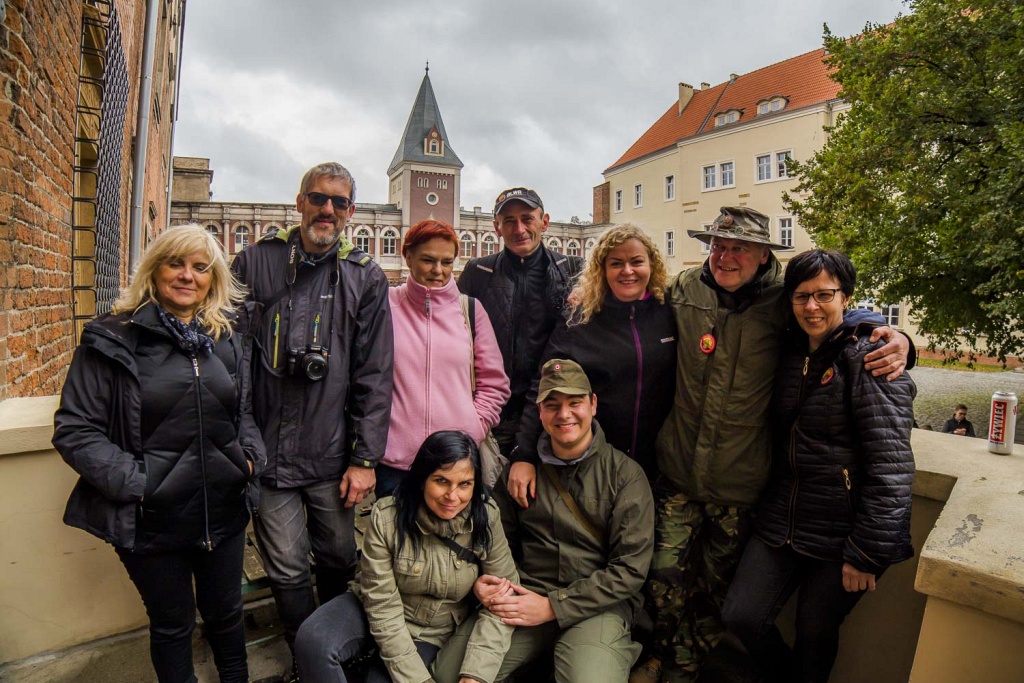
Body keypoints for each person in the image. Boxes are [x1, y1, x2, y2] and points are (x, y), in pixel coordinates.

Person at [639, 207, 913, 683]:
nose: (725, 256)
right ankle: (673, 660)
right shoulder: (685, 290)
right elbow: (629, 299)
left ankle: (694, 667)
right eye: (717, 245)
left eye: (739, 247)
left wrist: (895, 336)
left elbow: (837, 318)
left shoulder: (784, 302)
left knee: (744, 606)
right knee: (669, 583)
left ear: (764, 254)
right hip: (691, 476)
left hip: (748, 488)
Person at [53, 224, 266, 683]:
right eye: (176, 263)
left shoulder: (223, 338)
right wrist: (140, 484)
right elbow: (76, 429)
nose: (187, 276)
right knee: (173, 626)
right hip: (152, 521)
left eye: (200, 267)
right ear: (154, 269)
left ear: (214, 279)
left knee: (227, 615)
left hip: (223, 513)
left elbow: (242, 410)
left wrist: (250, 457)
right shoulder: (113, 338)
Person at [721, 249, 916, 682]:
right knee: (742, 616)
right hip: (782, 518)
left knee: (815, 631)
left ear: (846, 297)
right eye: (801, 296)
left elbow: (893, 467)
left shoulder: (870, 356)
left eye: (824, 295)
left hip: (846, 531)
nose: (812, 306)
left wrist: (867, 553)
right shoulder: (789, 349)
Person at [231, 162, 394, 672]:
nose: (328, 210)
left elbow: (375, 372)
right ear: (300, 201)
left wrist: (365, 458)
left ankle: (336, 648)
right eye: (319, 199)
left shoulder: (364, 275)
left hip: (332, 451)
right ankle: (308, 656)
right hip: (267, 451)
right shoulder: (256, 261)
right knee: (284, 567)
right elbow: (230, 360)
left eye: (339, 203)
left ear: (350, 212)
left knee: (340, 558)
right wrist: (243, 441)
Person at [433, 359, 655, 682]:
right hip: (526, 592)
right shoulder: (519, 473)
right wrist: (480, 582)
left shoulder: (625, 477)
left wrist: (554, 606)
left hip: (596, 605)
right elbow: (490, 542)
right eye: (552, 405)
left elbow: (630, 571)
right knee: (448, 675)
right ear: (540, 413)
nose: (564, 414)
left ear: (592, 405)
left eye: (574, 403)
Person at [294, 430, 519, 683]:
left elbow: (505, 598)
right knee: (313, 640)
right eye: (441, 481)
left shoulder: (485, 518)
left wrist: (476, 674)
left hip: (430, 629)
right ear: (423, 478)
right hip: (372, 608)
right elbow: (382, 605)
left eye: (464, 484)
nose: (452, 496)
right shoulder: (388, 516)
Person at [508, 224, 676, 504]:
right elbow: (544, 386)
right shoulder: (581, 318)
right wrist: (523, 455)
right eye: (616, 264)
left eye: (637, 262)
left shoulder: (669, 310)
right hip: (594, 466)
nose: (627, 271)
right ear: (602, 269)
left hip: (658, 466)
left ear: (652, 265)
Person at [377, 219, 510, 497]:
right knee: (396, 540)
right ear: (408, 257)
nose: (438, 271)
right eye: (428, 260)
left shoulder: (470, 310)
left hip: (455, 465)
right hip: (395, 465)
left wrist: (473, 428)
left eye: (447, 262)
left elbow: (494, 384)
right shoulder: (384, 305)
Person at [458, 187, 583, 456]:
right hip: (493, 411)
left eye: (527, 218)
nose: (519, 229)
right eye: (509, 221)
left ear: (544, 222)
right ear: (497, 228)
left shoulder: (573, 270)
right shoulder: (478, 272)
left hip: (552, 409)